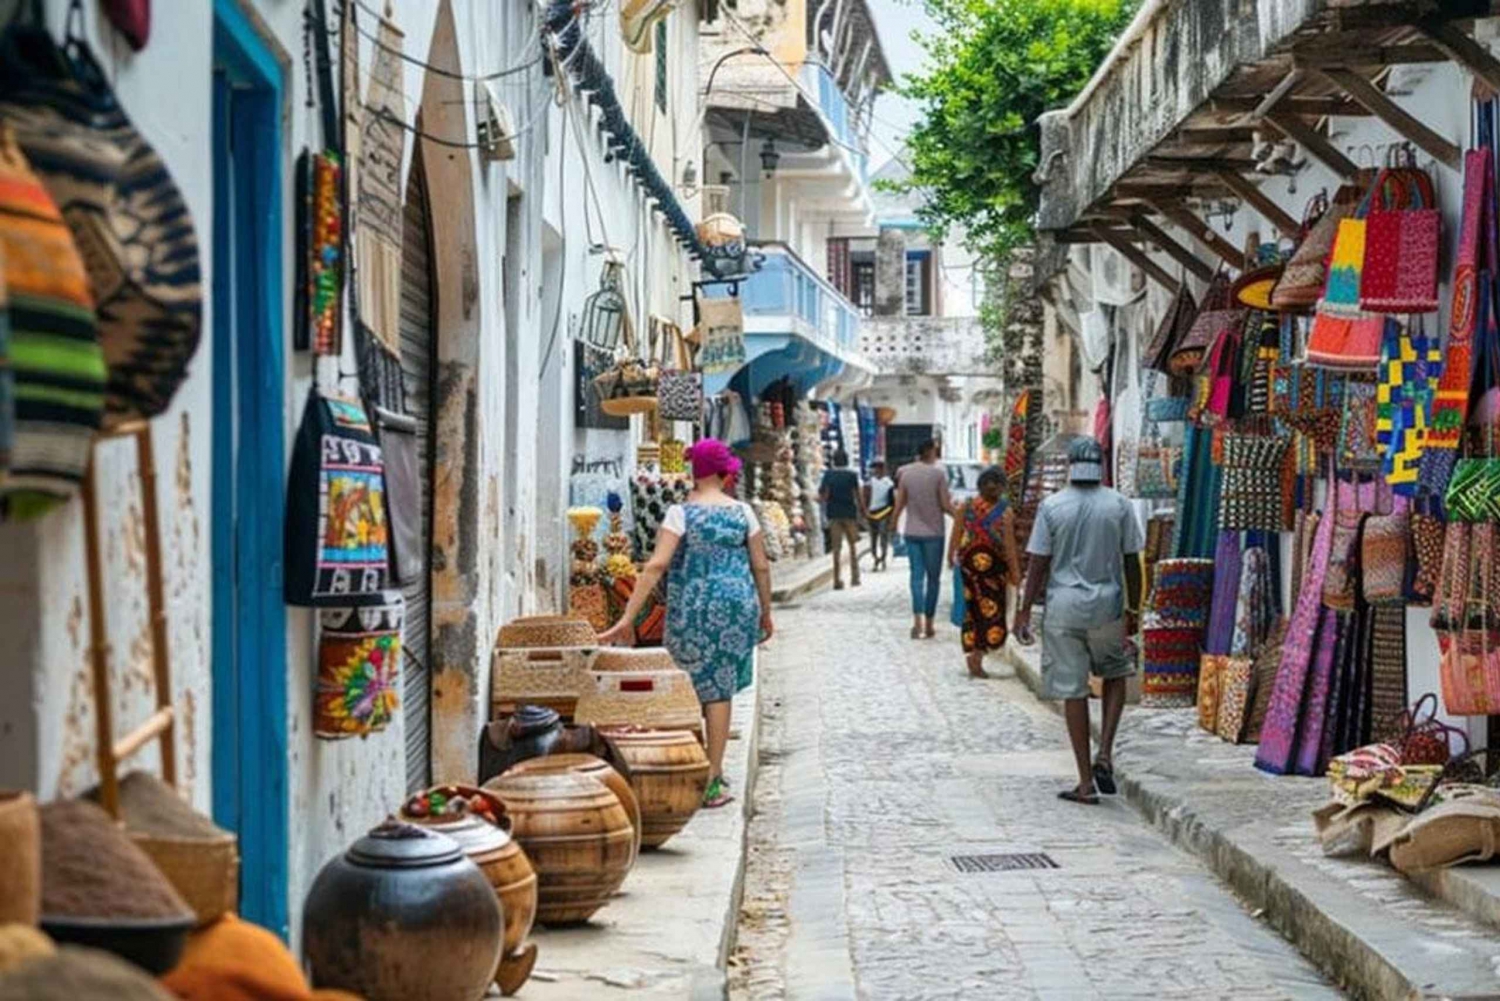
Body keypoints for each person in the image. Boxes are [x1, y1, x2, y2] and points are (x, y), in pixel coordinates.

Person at [600, 439, 773, 809]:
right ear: (725, 475)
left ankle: (686, 768)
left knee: (687, 684)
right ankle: (713, 779)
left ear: (696, 474)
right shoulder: (744, 513)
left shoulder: (680, 514)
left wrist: (628, 617)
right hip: (736, 605)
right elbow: (761, 565)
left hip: (691, 606)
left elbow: (656, 565)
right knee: (720, 689)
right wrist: (766, 611)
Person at [1013, 437, 1144, 806]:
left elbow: (1038, 561)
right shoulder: (1118, 504)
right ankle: (1105, 752)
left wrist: (1023, 610)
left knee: (1073, 691)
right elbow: (1132, 560)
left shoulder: (1052, 506)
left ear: (1070, 465)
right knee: (1115, 673)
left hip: (1064, 609)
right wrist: (1134, 609)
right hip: (1108, 605)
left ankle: (1085, 782)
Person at [947, 466, 1021, 679]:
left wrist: (951, 557)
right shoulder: (1005, 512)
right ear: (1003, 487)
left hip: (970, 569)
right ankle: (977, 655)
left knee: (973, 612)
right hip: (994, 572)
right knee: (993, 613)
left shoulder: (966, 506)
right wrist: (1015, 572)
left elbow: (956, 533)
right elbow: (1009, 545)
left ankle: (975, 653)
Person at [891, 439, 954, 639]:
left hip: (912, 532)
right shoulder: (938, 475)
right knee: (933, 579)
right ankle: (929, 624)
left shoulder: (906, 474)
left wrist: (893, 525)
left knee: (916, 578)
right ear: (929, 451)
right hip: (934, 534)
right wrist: (961, 517)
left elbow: (899, 503)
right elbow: (945, 504)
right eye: (936, 450)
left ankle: (916, 621)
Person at [819, 449, 866, 590]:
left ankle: (837, 580)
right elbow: (858, 495)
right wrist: (863, 512)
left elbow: (824, 496)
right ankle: (855, 577)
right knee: (853, 547)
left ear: (834, 460)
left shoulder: (828, 475)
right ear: (847, 460)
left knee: (836, 549)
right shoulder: (852, 475)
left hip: (834, 514)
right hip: (849, 514)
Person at [863, 459, 895, 571]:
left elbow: (892, 502)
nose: (877, 470)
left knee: (883, 536)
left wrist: (892, 517)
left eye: (879, 467)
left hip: (884, 512)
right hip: (871, 513)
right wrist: (865, 511)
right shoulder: (869, 483)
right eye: (875, 468)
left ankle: (883, 558)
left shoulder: (889, 483)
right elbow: (865, 498)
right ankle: (875, 557)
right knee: (873, 538)